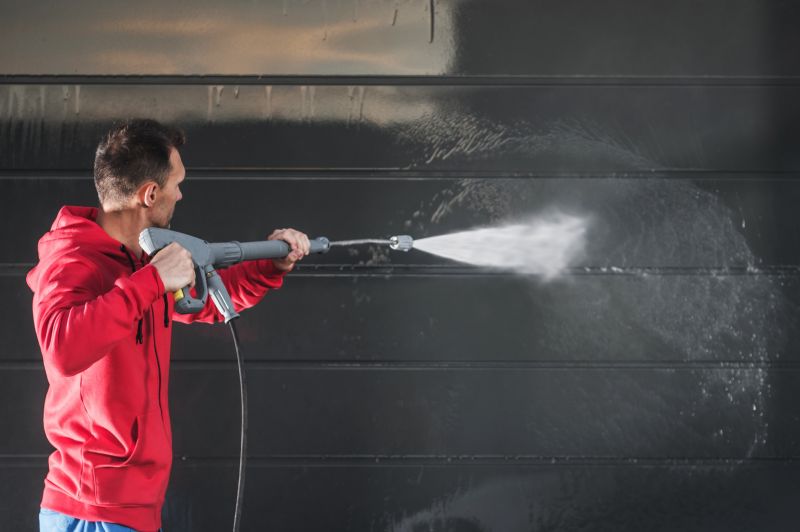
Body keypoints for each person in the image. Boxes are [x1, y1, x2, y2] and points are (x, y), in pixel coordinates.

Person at [26, 119, 310, 532]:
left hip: (134, 507)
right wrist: (152, 281)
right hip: (92, 507)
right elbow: (62, 350)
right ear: (150, 194)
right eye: (177, 183)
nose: (181, 193)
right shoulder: (73, 260)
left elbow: (206, 302)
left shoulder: (143, 260)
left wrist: (272, 265)